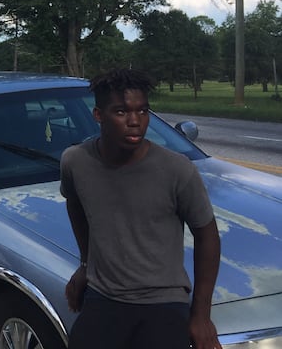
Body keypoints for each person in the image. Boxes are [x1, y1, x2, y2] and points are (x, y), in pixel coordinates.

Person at [60, 68, 222, 349]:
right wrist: (86, 263)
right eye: (121, 112)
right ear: (99, 115)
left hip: (163, 301)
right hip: (104, 296)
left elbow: (207, 236)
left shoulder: (176, 169)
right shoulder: (76, 161)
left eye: (142, 111)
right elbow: (75, 205)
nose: (135, 121)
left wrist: (201, 315)